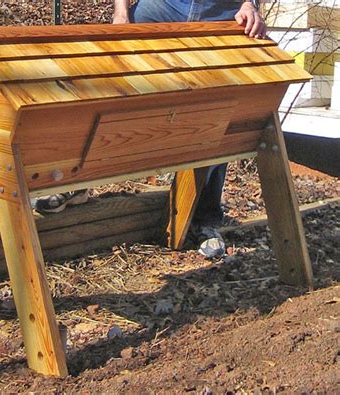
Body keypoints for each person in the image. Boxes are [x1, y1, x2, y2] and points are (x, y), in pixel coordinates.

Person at [35, 0, 267, 258]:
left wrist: (250, 4)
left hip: (222, 13)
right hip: (162, 6)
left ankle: (203, 219)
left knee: (220, 109)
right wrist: (121, 14)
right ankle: (75, 179)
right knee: (107, 76)